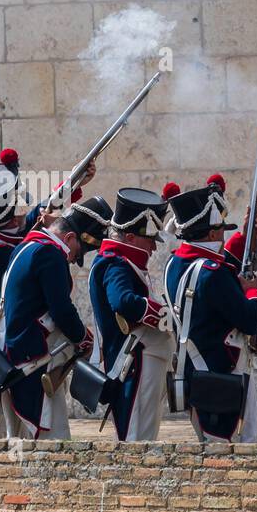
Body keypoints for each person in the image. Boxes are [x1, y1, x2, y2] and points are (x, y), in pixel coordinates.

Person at [0, 198, 109, 439]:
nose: (70, 259)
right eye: (75, 253)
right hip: (33, 358)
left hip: (13, 354)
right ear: (68, 239)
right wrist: (83, 339)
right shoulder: (50, 254)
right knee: (50, 437)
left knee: (22, 439)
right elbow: (61, 310)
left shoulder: (27, 245)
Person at [164, 176, 257, 442]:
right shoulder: (212, 273)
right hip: (222, 375)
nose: (223, 234)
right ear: (211, 234)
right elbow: (250, 320)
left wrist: (249, 235)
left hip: (197, 375)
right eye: (221, 229)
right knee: (230, 449)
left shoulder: (176, 263)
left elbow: (222, 265)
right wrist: (252, 291)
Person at [87, 187, 173, 441]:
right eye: (149, 240)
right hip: (134, 364)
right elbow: (123, 302)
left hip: (139, 362)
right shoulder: (116, 264)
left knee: (141, 434)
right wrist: (167, 316)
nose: (153, 248)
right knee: (138, 439)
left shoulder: (119, 261)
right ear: (131, 238)